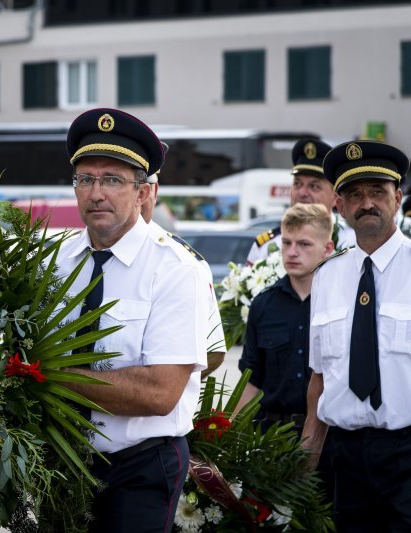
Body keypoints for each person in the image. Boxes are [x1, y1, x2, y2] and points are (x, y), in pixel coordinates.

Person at [57, 108, 208, 531]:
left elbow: (160, 391)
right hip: (62, 461)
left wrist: (54, 377)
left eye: (112, 180)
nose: (96, 193)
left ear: (143, 192)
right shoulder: (57, 262)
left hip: (139, 465)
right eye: (85, 179)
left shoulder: (176, 268)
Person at [301, 140, 411, 531]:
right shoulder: (327, 275)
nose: (367, 203)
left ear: (397, 198)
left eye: (377, 192)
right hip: (344, 456)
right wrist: (307, 458)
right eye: (355, 195)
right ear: (340, 206)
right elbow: (319, 378)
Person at [236, 203, 333, 427]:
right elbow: (251, 381)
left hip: (329, 437)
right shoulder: (263, 305)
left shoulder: (338, 304)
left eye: (304, 244)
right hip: (271, 435)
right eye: (287, 243)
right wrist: (230, 437)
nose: (292, 252)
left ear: (327, 249)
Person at [141, 170, 226, 376]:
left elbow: (213, 352)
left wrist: (175, 381)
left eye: (144, 189)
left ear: (153, 191)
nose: (137, 198)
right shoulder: (70, 254)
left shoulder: (182, 262)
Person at [246, 138, 355, 264]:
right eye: (297, 184)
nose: (302, 193)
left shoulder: (351, 241)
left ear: (335, 198)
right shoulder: (267, 246)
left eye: (314, 186)